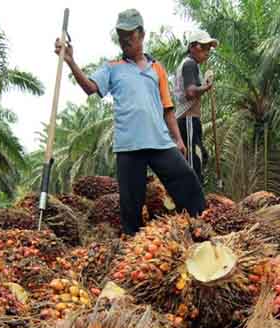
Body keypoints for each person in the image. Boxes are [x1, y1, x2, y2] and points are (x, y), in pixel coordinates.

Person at [54, 8, 206, 236]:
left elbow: (167, 108)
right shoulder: (112, 68)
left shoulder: (157, 68)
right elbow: (90, 87)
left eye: (129, 35)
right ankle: (133, 248)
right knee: (131, 205)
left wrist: (177, 138)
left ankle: (202, 229)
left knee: (187, 181)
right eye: (121, 36)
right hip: (129, 146)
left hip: (160, 142)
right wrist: (70, 61)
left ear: (141, 34)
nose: (125, 40)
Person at [173, 30, 218, 183]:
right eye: (204, 47)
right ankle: (192, 202)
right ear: (193, 47)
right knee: (193, 163)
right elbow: (191, 92)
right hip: (188, 120)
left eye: (209, 48)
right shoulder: (189, 64)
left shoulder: (192, 65)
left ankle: (193, 194)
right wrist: (207, 86)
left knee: (201, 157)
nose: (207, 52)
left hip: (190, 121)